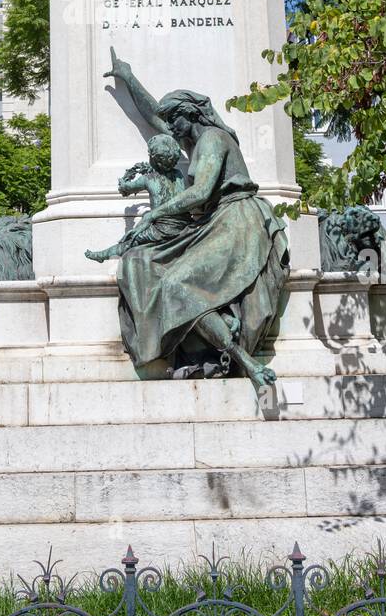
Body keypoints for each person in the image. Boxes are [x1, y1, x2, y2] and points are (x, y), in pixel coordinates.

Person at [102, 48, 290, 397]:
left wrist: (156, 212)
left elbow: (202, 191)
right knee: (140, 263)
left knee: (176, 285)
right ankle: (223, 334)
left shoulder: (214, 140)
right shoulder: (194, 138)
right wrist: (128, 79)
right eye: (171, 123)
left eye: (176, 121)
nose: (170, 130)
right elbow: (155, 118)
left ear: (190, 115)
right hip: (217, 222)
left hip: (240, 221)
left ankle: (243, 361)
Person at [86, 134, 187, 261]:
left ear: (154, 159)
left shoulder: (148, 179)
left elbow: (126, 189)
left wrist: (124, 181)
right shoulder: (179, 175)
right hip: (183, 225)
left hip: (162, 229)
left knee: (131, 242)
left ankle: (103, 255)